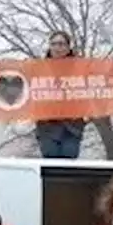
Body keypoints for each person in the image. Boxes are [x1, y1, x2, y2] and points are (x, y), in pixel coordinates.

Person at [35, 31, 86, 159]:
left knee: (68, 163)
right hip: (47, 127)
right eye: (54, 44)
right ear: (50, 47)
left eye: (61, 44)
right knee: (50, 164)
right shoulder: (37, 69)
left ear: (68, 48)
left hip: (72, 128)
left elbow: (100, 78)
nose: (58, 47)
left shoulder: (80, 68)